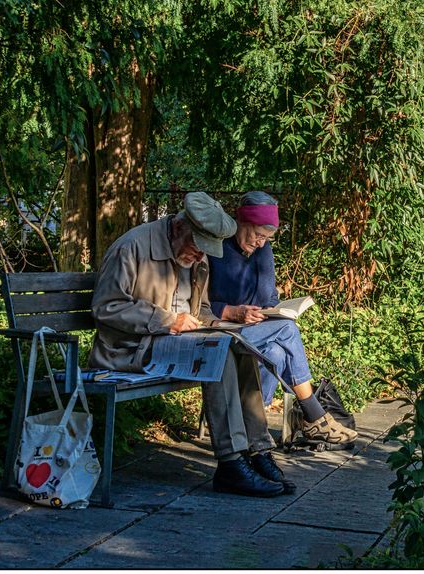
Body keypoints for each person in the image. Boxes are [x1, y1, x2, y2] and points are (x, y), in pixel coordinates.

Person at [89, 191, 296, 497]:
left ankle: (257, 450)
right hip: (128, 350)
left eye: (204, 254)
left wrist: (218, 321)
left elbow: (200, 309)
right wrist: (166, 320)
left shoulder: (194, 256)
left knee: (237, 347)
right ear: (179, 228)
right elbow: (105, 307)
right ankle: (230, 461)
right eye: (198, 249)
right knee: (218, 354)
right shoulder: (132, 247)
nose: (200, 258)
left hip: (172, 345)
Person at [207, 191, 358, 446]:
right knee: (287, 330)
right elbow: (198, 304)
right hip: (218, 329)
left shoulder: (263, 252)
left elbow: (269, 298)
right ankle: (314, 415)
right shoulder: (214, 249)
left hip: (252, 331)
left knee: (276, 353)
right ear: (242, 222)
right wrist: (232, 312)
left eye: (267, 238)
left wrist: (273, 311)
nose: (261, 243)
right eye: (258, 235)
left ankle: (255, 423)